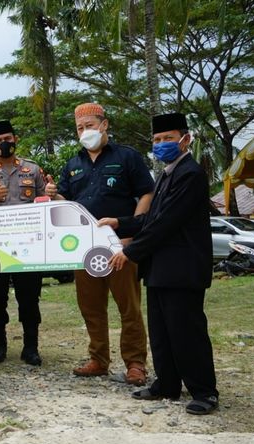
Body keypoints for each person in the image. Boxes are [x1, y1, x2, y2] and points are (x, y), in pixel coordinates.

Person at [99, 112, 219, 415]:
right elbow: (150, 218)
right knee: (162, 331)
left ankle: (204, 391)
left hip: (183, 267)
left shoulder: (190, 174)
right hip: (161, 268)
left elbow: (166, 223)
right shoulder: (167, 174)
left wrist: (130, 252)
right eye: (156, 140)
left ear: (185, 139)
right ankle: (167, 384)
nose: (161, 144)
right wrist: (120, 222)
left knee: (186, 331)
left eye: (167, 138)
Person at [46, 103, 154, 385]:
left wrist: (131, 235)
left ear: (104, 125)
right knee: (91, 307)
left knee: (128, 307)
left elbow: (146, 193)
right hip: (84, 249)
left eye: (90, 126)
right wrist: (52, 194)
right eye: (80, 128)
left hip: (120, 245)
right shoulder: (73, 165)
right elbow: (66, 204)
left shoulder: (127, 157)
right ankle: (98, 359)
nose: (85, 132)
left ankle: (135, 363)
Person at [0, 120, 45, 365]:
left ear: (15, 138)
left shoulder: (32, 170)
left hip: (28, 247)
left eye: (8, 138)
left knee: (29, 298)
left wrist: (51, 194)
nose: (4, 144)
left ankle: (31, 347)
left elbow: (46, 197)